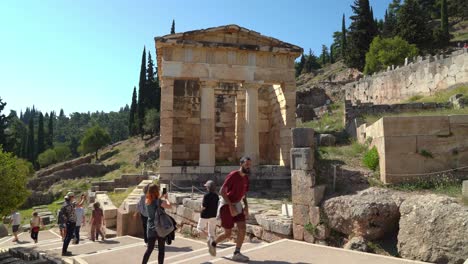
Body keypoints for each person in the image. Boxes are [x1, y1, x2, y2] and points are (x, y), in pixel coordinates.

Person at [207, 157, 251, 262]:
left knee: (242, 228)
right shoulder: (233, 175)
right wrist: (231, 206)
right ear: (241, 164)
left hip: (238, 204)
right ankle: (213, 243)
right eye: (247, 164)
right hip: (227, 205)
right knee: (228, 233)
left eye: (250, 165)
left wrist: (246, 206)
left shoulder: (246, 178)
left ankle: (237, 253)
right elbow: (222, 191)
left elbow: (244, 194)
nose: (249, 167)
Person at [142, 184, 172, 264]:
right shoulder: (159, 201)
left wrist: (161, 197)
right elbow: (169, 206)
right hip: (159, 227)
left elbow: (155, 202)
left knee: (149, 249)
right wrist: (167, 199)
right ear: (156, 191)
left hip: (151, 228)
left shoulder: (147, 200)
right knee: (161, 249)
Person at [60, 192, 77, 256]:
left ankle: (64, 251)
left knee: (67, 236)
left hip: (68, 222)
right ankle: (64, 252)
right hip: (71, 222)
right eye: (73, 197)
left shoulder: (65, 204)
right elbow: (72, 209)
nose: (73, 198)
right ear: (70, 197)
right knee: (68, 237)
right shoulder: (69, 205)